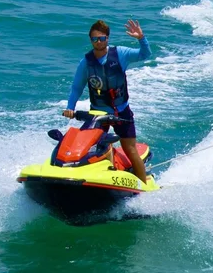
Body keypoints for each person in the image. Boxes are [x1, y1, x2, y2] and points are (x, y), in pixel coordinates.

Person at [62, 18, 153, 184]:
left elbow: (145, 54)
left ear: (107, 38)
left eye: (102, 38)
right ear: (91, 40)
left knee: (130, 149)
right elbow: (76, 88)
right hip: (98, 114)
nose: (98, 42)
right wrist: (70, 107)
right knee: (89, 147)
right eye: (95, 39)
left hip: (121, 111)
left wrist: (141, 38)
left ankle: (143, 186)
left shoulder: (120, 54)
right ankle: (100, 176)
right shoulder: (86, 63)